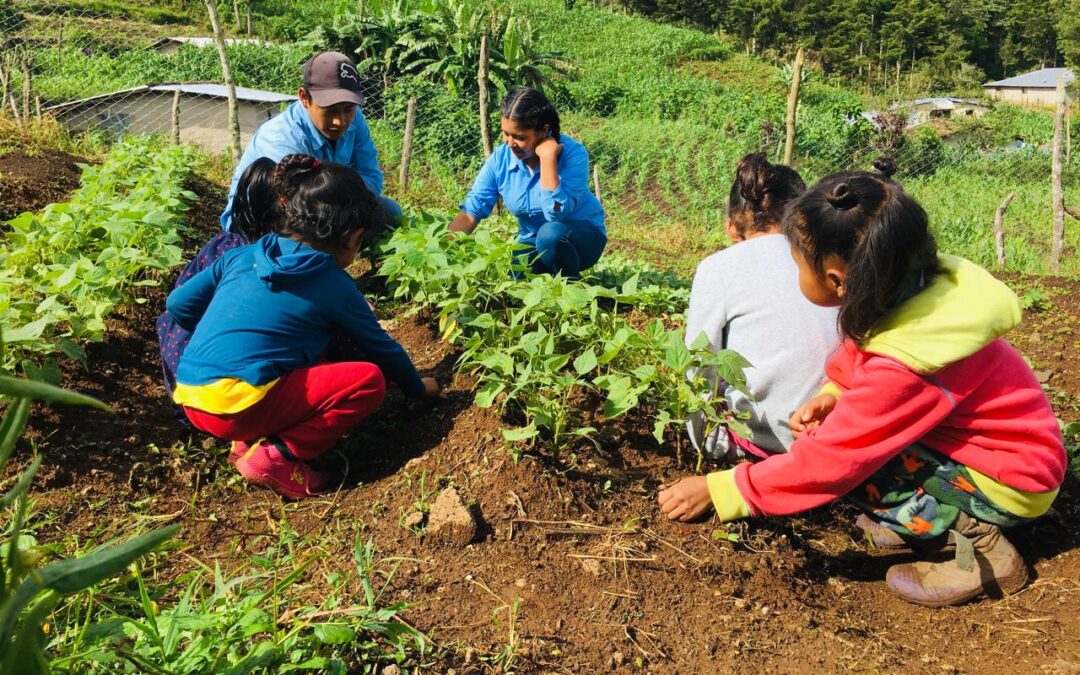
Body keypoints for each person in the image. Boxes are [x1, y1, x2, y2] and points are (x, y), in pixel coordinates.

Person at [659, 165, 1066, 607]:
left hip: (1008, 482)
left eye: (798, 265)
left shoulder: (908, 367)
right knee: (846, 438)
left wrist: (725, 489)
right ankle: (923, 516)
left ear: (836, 278)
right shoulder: (916, 293)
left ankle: (980, 551)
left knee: (855, 466)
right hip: (1011, 455)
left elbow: (831, 462)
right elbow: (860, 351)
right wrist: (833, 391)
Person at [169, 154, 439, 500]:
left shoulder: (241, 255)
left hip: (192, 397)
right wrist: (419, 388)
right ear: (352, 236)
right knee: (368, 381)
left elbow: (178, 305)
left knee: (304, 360)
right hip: (241, 406)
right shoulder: (332, 282)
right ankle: (277, 457)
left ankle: (247, 441)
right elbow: (380, 346)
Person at [685, 153, 837, 459]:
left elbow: (699, 363)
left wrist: (711, 446)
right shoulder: (836, 263)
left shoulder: (718, 267)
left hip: (768, 446)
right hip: (842, 433)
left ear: (731, 228)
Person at [220, 51, 402, 231]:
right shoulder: (281, 138)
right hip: (265, 222)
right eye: (330, 110)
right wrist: (347, 189)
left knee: (390, 213)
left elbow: (373, 178)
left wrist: (340, 194)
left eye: (348, 109)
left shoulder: (355, 119)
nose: (340, 121)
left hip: (326, 208)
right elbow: (298, 206)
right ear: (304, 98)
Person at [157, 157, 281, 404]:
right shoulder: (265, 258)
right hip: (227, 381)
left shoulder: (223, 244)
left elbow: (179, 302)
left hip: (185, 369)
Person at [449, 87, 606, 278]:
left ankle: (572, 291)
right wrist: (442, 252)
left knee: (550, 235)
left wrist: (548, 158)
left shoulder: (573, 154)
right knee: (517, 275)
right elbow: (472, 210)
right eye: (506, 134)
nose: (509, 143)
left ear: (544, 131)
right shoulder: (501, 159)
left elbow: (556, 213)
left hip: (581, 238)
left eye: (520, 137)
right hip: (532, 239)